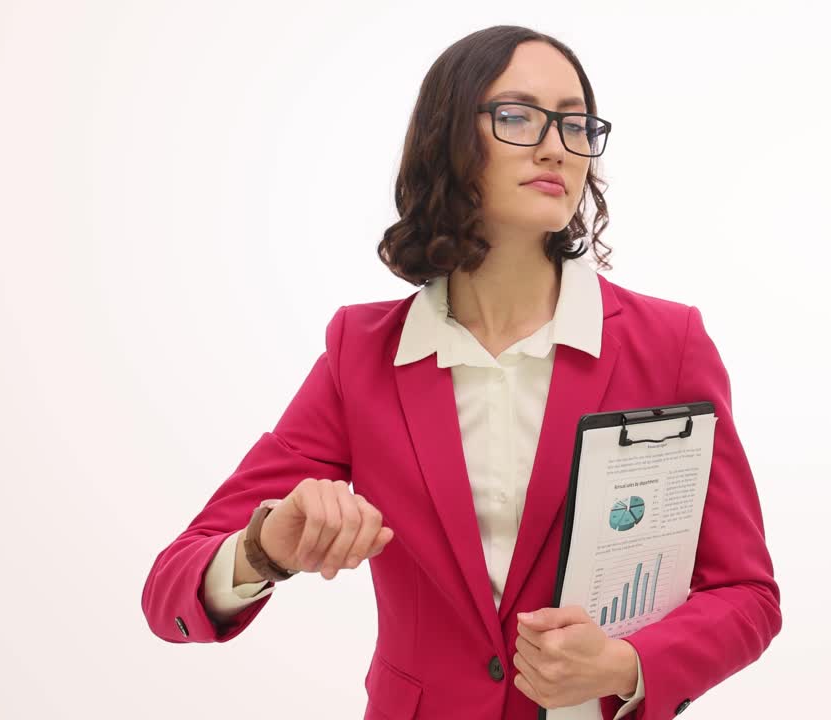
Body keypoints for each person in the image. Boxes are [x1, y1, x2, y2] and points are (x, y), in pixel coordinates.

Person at [140, 24, 782, 720]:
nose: (554, 146)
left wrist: (627, 666)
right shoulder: (364, 354)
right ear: (448, 137)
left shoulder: (668, 344)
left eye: (575, 123)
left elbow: (746, 594)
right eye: (517, 116)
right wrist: (264, 547)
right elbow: (170, 588)